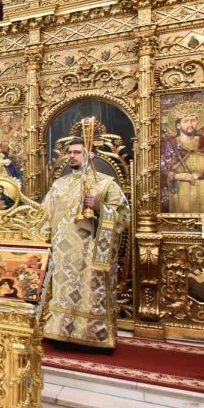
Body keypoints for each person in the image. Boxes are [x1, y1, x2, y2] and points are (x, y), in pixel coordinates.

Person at [42, 138, 130, 349]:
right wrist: (43, 242)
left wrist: (101, 208)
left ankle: (92, 337)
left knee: (90, 292)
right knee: (62, 293)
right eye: (69, 152)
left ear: (89, 155)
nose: (71, 156)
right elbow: (44, 215)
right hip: (62, 254)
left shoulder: (106, 183)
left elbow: (124, 217)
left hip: (90, 252)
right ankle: (58, 333)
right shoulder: (58, 185)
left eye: (77, 152)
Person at [161, 102, 204, 213]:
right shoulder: (171, 144)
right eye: (186, 121)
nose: (190, 124)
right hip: (180, 190)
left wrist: (200, 175)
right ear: (178, 125)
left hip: (202, 189)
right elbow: (162, 170)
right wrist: (178, 176)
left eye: (193, 120)